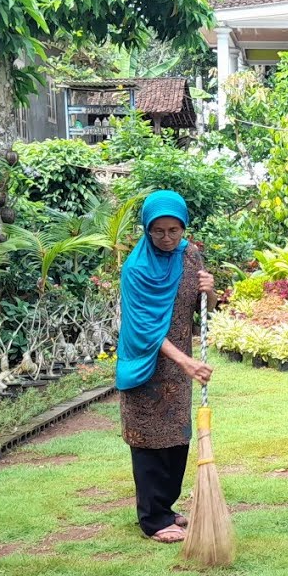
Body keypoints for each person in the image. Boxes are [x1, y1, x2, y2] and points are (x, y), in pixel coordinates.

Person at [115, 190, 216, 544]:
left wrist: (211, 290)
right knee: (149, 441)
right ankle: (153, 519)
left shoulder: (190, 254)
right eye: (158, 231)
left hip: (178, 368)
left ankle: (166, 506)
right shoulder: (136, 269)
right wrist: (187, 361)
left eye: (174, 229)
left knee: (176, 438)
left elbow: (203, 308)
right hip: (147, 363)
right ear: (146, 230)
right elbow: (144, 329)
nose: (168, 238)